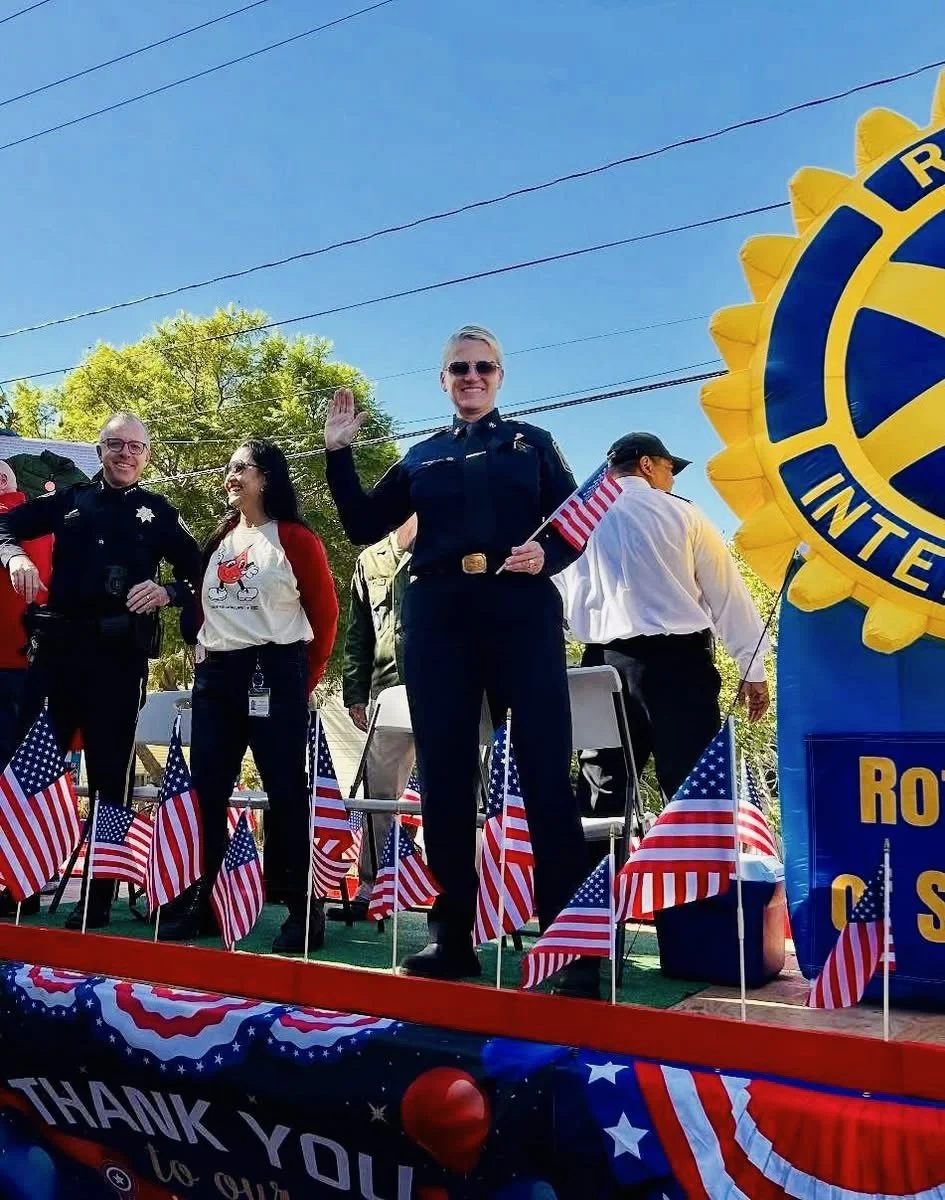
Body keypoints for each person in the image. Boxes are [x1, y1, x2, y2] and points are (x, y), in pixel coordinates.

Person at [324, 325, 597, 997]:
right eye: (458, 369)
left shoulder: (531, 444)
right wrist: (337, 452)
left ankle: (569, 946)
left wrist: (550, 556)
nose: (470, 376)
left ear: (499, 376)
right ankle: (453, 937)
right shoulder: (421, 456)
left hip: (520, 610)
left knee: (543, 770)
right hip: (439, 615)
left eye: (482, 367)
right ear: (441, 381)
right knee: (443, 777)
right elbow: (362, 523)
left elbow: (573, 521)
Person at [0, 413, 203, 928]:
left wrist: (168, 592)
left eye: (136, 446)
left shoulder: (158, 513)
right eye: (115, 444)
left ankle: (98, 897)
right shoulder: (70, 501)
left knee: (110, 774)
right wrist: (14, 559)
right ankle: (17, 886)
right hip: (57, 653)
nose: (125, 454)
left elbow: (201, 571)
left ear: (148, 454)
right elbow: (4, 526)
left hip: (117, 660)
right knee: (33, 770)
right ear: (101, 448)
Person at [160, 439, 339, 953]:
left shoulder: (296, 539)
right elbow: (199, 597)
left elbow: (325, 619)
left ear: (266, 478)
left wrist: (301, 679)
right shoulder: (220, 536)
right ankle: (208, 902)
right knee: (207, 789)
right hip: (217, 677)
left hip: (274, 671)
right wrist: (198, 638)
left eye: (241, 467)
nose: (231, 474)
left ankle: (305, 910)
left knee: (286, 790)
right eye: (230, 467)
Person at [555, 431, 771, 832]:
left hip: (598, 668)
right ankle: (698, 891)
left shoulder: (574, 521)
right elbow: (727, 594)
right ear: (648, 465)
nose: (672, 480)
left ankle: (600, 889)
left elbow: (555, 599)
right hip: (677, 664)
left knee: (601, 794)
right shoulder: (683, 514)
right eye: (671, 469)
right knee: (694, 792)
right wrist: (752, 668)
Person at [329, 515, 417, 923]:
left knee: (458, 795)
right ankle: (374, 884)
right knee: (379, 796)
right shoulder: (371, 560)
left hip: (447, 687)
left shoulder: (450, 543)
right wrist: (355, 693)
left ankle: (461, 891)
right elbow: (359, 632)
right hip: (387, 692)